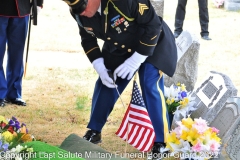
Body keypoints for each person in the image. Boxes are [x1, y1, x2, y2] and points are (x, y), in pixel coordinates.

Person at [63, 0, 177, 157]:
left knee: (149, 84)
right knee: (107, 82)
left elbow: (153, 26)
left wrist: (136, 60)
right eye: (75, 9)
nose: (81, 12)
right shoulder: (78, 13)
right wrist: (99, 66)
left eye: (83, 7)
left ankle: (161, 141)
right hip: (120, 47)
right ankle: (94, 130)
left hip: (152, 44)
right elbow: (87, 39)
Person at [0, 0, 44, 107]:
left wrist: (38, 3)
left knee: (17, 55)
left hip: (21, 8)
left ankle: (14, 93)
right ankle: (0, 93)